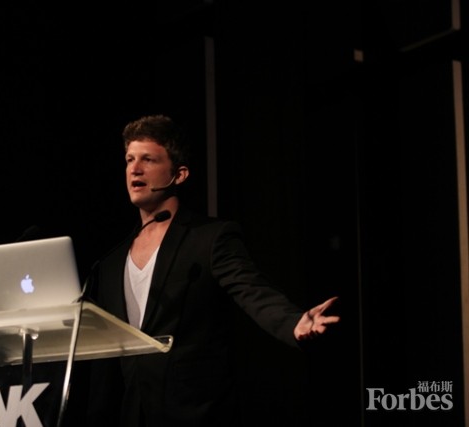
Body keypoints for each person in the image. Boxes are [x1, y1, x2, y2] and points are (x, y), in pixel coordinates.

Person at [83, 114, 340, 427]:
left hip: (194, 412)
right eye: (129, 159)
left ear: (179, 174)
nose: (134, 169)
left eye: (148, 159)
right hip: (131, 415)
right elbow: (106, 361)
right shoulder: (110, 262)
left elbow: (252, 291)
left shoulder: (209, 238)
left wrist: (293, 322)